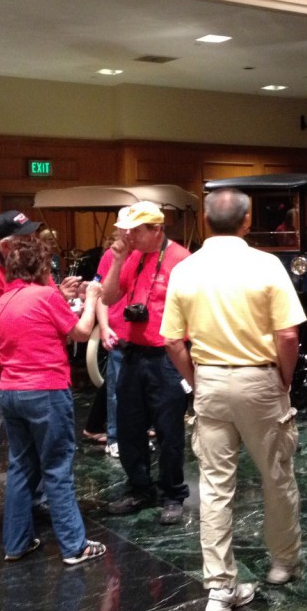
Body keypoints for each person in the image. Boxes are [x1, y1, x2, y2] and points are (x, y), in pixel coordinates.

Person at [161, 188, 306, 611]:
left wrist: (196, 379)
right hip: (260, 379)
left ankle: (220, 586)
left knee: (214, 484)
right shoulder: (267, 265)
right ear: (246, 222)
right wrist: (283, 379)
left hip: (209, 379)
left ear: (206, 221)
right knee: (276, 473)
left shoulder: (184, 269)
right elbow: (287, 335)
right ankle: (282, 563)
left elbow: (172, 341)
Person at [0, 210, 80, 542]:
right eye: (24, 237)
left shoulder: (33, 266)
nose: (32, 241)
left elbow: (43, 303)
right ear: (4, 245)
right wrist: (57, 307)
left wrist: (59, 297)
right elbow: (13, 322)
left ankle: (36, 501)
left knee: (30, 442)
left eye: (32, 235)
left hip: (20, 367)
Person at [0, 234, 107, 565]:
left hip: (10, 390)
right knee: (57, 467)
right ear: (41, 266)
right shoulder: (44, 295)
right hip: (45, 390)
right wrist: (92, 299)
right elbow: (81, 332)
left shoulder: (5, 299)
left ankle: (16, 543)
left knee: (21, 466)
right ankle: (74, 546)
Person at [103, 202, 191, 525]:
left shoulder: (181, 259)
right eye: (127, 231)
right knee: (128, 426)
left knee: (169, 429)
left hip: (167, 356)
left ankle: (172, 493)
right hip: (133, 353)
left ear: (157, 230)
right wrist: (117, 260)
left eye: (136, 231)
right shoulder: (133, 256)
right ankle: (140, 487)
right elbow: (109, 297)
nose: (130, 236)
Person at [93, 215, 130, 459]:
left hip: (140, 334)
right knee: (115, 390)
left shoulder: (145, 254)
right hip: (118, 330)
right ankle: (114, 438)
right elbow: (99, 294)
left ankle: (134, 436)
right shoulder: (110, 256)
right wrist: (104, 327)